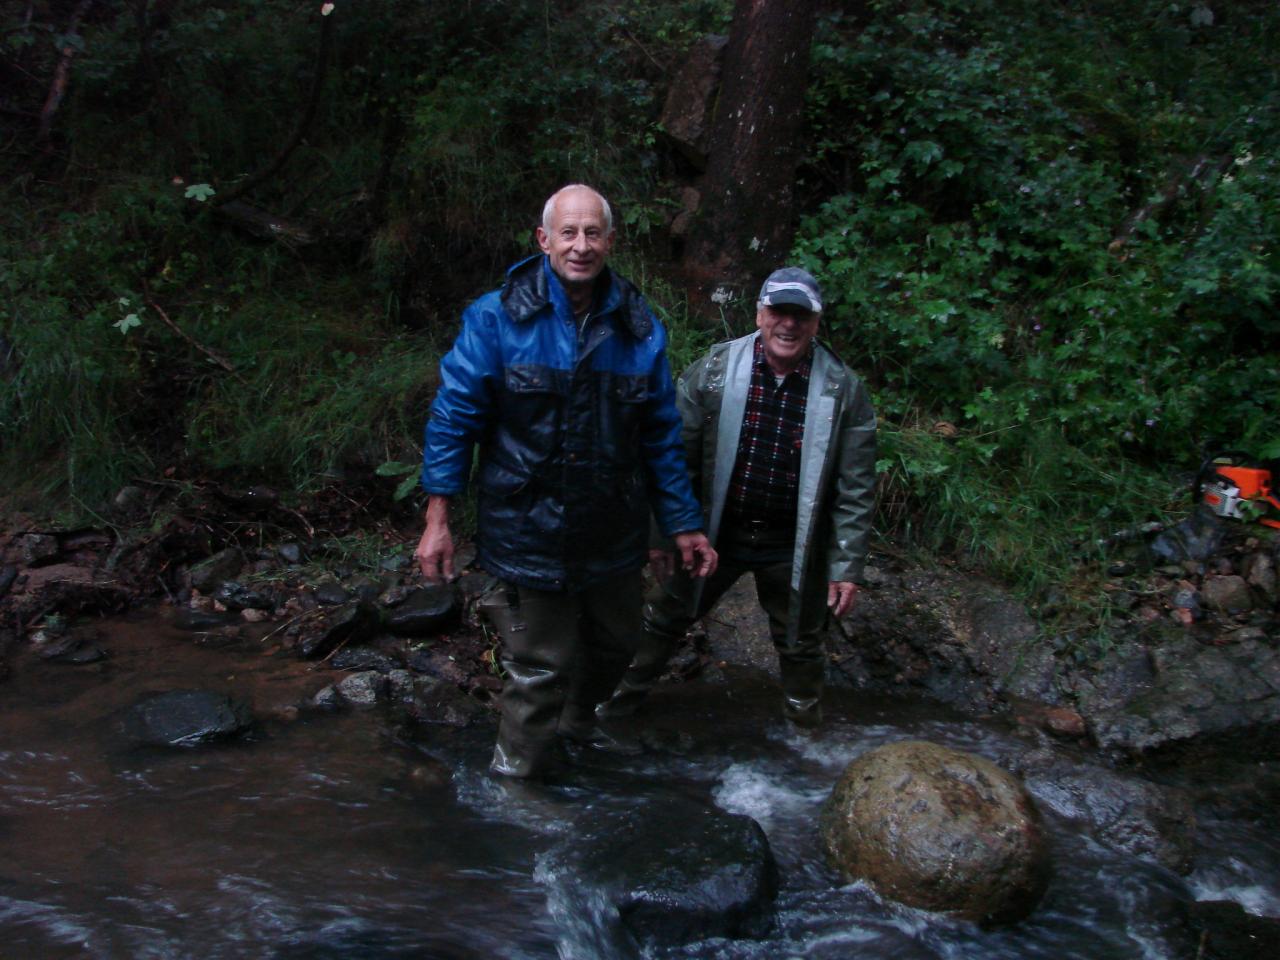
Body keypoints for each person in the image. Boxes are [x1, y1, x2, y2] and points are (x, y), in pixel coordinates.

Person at [414, 184, 716, 779]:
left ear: (610, 240)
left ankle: (578, 733)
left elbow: (659, 433)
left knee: (616, 645)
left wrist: (681, 523)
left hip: (612, 526)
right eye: (569, 233)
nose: (581, 246)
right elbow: (454, 418)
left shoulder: (638, 326)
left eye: (593, 233)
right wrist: (438, 518)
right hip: (527, 523)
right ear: (544, 240)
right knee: (540, 666)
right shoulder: (496, 317)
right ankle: (513, 788)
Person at [603, 267, 876, 727]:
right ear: (759, 313)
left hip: (792, 543)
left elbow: (856, 488)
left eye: (799, 315)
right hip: (711, 532)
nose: (787, 324)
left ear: (816, 321)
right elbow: (671, 455)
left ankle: (803, 738)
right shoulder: (713, 369)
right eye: (778, 311)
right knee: (663, 618)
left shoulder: (843, 389)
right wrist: (662, 532)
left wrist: (846, 566)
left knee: (801, 641)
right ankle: (608, 712)